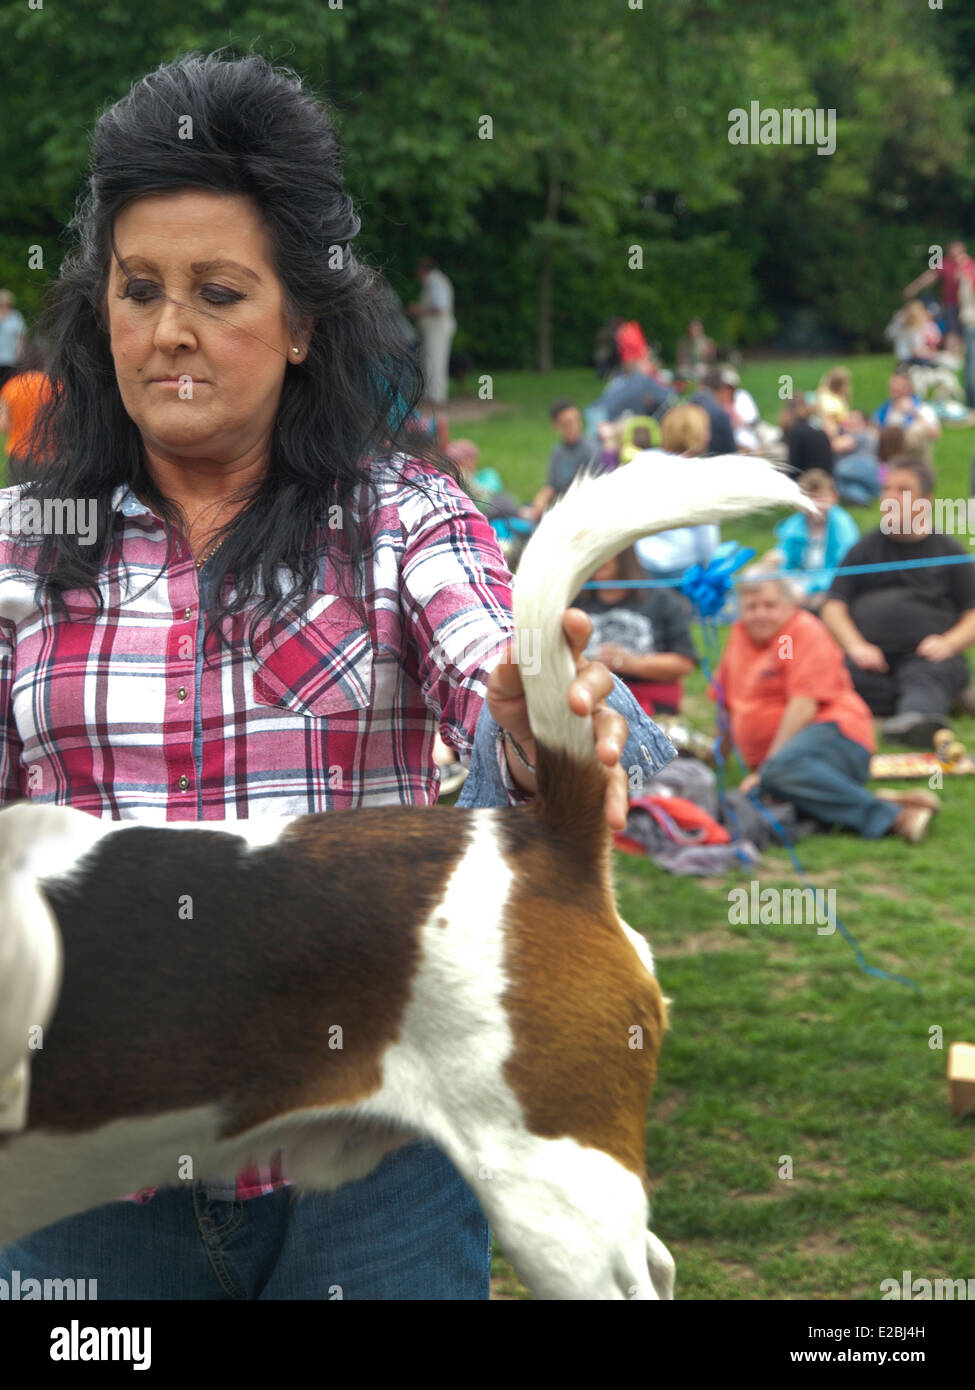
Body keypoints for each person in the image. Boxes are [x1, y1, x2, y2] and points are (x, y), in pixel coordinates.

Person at [0, 50, 673, 1303]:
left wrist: (539, 715)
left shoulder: (405, 517)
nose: (171, 331)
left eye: (219, 290)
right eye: (137, 289)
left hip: (369, 1165)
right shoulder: (16, 544)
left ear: (304, 321)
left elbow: (494, 657)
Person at [713, 572, 939, 842]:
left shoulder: (798, 634)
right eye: (751, 607)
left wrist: (766, 770)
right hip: (787, 762)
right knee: (752, 800)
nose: (760, 614)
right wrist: (718, 757)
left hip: (835, 734)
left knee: (776, 777)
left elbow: (803, 706)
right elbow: (726, 703)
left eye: (769, 605)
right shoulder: (739, 637)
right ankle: (881, 800)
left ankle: (894, 818)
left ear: (789, 605)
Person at [821, 456, 975, 747]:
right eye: (886, 489)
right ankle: (934, 703)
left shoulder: (950, 552)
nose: (890, 498)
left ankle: (915, 719)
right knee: (837, 678)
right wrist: (856, 645)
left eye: (902, 491)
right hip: (870, 662)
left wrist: (949, 643)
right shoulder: (864, 549)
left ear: (925, 502)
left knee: (929, 676)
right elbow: (833, 606)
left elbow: (972, 612)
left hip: (926, 659)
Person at [575, 546, 697, 716]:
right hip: (587, 702)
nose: (595, 559)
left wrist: (631, 664)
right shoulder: (575, 600)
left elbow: (684, 663)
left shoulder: (661, 600)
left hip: (650, 706)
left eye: (602, 550)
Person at [634, 406, 719, 580]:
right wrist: (710, 567)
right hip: (683, 566)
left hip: (642, 561)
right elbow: (706, 532)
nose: (708, 436)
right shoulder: (696, 474)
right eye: (705, 430)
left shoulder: (640, 465)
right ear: (693, 434)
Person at [771, 469, 859, 611]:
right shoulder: (793, 526)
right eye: (808, 499)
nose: (814, 506)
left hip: (831, 585)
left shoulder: (842, 526)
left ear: (833, 498)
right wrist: (777, 561)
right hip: (798, 583)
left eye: (820, 498)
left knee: (819, 603)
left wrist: (808, 589)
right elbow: (785, 559)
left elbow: (841, 568)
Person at [529, 398, 600, 518]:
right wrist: (540, 502)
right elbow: (552, 484)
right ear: (556, 426)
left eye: (577, 421)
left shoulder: (592, 451)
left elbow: (590, 494)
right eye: (567, 423)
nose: (574, 427)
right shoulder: (558, 451)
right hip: (559, 506)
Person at [0, 337, 55, 483]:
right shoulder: (57, 387)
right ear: (46, 361)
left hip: (18, 456)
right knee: (47, 504)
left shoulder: (12, 386)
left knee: (18, 503)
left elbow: (4, 425)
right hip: (49, 457)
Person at [407, 256, 455, 406]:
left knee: (435, 360)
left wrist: (418, 310)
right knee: (430, 360)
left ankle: (436, 397)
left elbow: (440, 307)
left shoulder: (435, 282)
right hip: (435, 328)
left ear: (423, 271)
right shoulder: (436, 281)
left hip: (437, 328)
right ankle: (432, 395)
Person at [872, 371, 941, 441]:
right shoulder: (884, 410)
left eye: (897, 388)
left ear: (908, 388)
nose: (892, 391)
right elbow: (874, 433)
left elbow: (934, 435)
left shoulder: (922, 408)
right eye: (891, 387)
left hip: (914, 449)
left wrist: (912, 412)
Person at [688, 367, 737, 456]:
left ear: (700, 385)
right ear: (721, 389)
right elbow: (731, 453)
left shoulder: (682, 407)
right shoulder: (720, 414)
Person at [780, 397, 834, 477]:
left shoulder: (796, 432)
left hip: (808, 480)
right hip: (825, 477)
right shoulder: (818, 429)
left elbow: (793, 466)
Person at [0, 291, 25, 390]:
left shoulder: (15, 316)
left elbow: (20, 335)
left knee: (8, 382)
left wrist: (20, 350)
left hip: (10, 356)